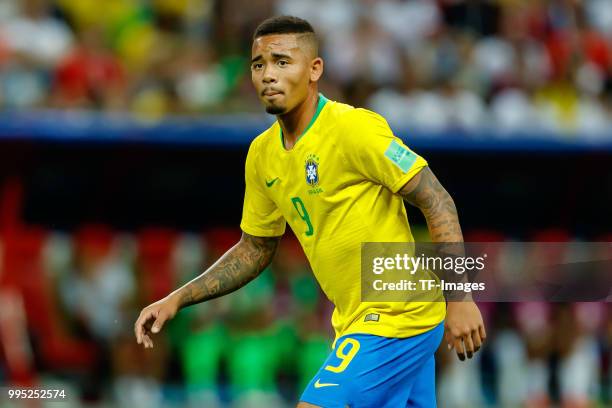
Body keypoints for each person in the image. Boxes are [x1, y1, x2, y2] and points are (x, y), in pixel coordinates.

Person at [134, 15, 486, 407]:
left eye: (283, 62)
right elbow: (255, 248)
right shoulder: (262, 156)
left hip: (396, 315)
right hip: (355, 318)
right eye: (259, 64)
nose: (268, 74)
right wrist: (177, 298)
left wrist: (460, 298)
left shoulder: (354, 129)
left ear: (314, 68)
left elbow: (437, 200)